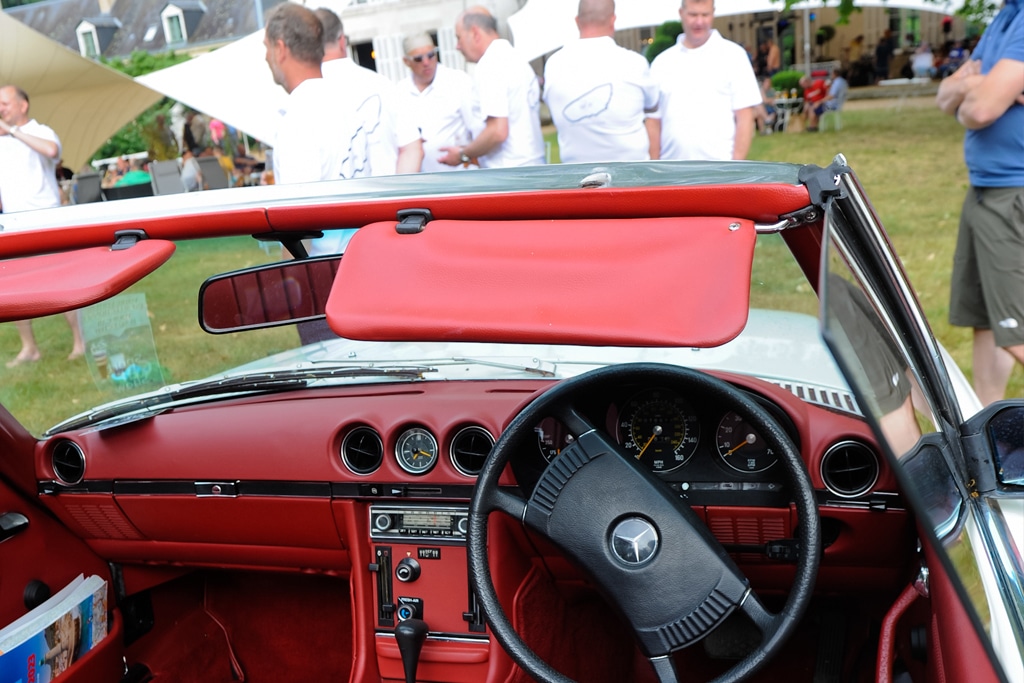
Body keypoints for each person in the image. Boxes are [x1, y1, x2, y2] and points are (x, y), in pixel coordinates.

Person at [936, 0, 1024, 405]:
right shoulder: (1006, 15)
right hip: (985, 189)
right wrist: (980, 85)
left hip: (1014, 192)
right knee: (988, 322)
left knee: (1017, 330)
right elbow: (945, 96)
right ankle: (992, 431)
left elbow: (982, 107)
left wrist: (977, 90)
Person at [0, 84, 86, 366]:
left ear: (22, 105)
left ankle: (80, 342)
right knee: (14, 286)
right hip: (13, 222)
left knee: (63, 282)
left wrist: (13, 132)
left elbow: (52, 151)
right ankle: (30, 348)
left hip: (45, 219)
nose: (0, 109)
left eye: (5, 103)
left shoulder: (41, 131)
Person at [542, 0, 660, 164]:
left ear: (577, 21)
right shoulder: (634, 63)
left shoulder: (553, 65)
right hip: (632, 175)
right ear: (613, 20)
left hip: (576, 178)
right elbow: (653, 109)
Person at [315, 8, 423, 178]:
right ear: (342, 40)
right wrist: (397, 193)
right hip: (387, 197)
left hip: (336, 201)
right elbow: (412, 148)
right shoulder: (382, 84)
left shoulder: (308, 97)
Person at [647, 0, 761, 161]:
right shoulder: (662, 63)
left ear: (713, 13)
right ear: (681, 13)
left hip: (720, 172)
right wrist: (655, 169)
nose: (699, 22)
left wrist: (734, 169)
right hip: (670, 173)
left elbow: (745, 117)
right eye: (693, 15)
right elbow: (653, 121)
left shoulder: (734, 56)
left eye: (705, 15)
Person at [439, 6, 546, 168]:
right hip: (531, 164)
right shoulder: (514, 57)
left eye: (459, 37)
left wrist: (463, 155)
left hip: (509, 173)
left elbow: (497, 131)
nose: (457, 46)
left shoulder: (491, 64)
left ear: (475, 33)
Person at [399, 33, 478, 173]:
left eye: (431, 55)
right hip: (423, 182)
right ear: (406, 61)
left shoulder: (458, 81)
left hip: (461, 177)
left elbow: (477, 128)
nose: (426, 62)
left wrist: (465, 154)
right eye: (418, 59)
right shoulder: (399, 91)